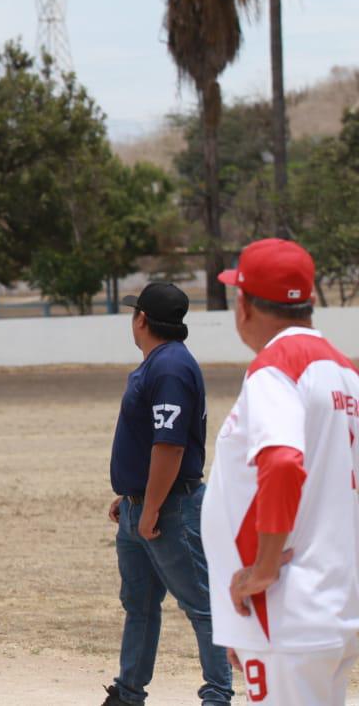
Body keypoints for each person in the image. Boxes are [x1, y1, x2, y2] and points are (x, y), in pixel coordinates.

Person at [201, 238, 359, 705]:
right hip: (332, 601)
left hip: (288, 608)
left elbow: (283, 461)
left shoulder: (276, 368)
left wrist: (264, 569)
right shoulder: (343, 370)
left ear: (243, 304)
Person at [101, 282, 231, 706]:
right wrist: (134, 497)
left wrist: (152, 506)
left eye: (133, 312)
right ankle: (127, 692)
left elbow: (170, 446)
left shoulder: (171, 366)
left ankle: (217, 696)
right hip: (147, 505)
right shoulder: (160, 362)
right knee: (138, 604)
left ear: (142, 319)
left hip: (170, 508)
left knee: (200, 604)